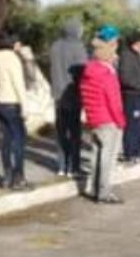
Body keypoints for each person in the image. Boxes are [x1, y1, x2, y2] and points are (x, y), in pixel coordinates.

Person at [80, 25, 126, 204]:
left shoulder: (88, 71)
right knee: (108, 158)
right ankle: (104, 192)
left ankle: (93, 188)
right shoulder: (107, 74)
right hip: (109, 121)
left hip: (94, 119)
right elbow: (114, 102)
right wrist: (121, 121)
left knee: (96, 156)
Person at [0, 33, 32, 191]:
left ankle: (7, 177)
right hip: (13, 101)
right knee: (19, 140)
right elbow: (18, 83)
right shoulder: (12, 58)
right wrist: (25, 107)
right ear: (12, 43)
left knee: (6, 140)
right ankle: (19, 178)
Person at [49, 19, 87, 177]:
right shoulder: (78, 47)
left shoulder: (55, 46)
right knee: (75, 133)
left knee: (61, 131)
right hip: (73, 94)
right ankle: (74, 167)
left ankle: (61, 165)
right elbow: (84, 73)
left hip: (57, 94)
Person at [119, 31, 140, 163]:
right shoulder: (126, 56)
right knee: (132, 125)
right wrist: (139, 85)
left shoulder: (138, 55)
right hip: (132, 96)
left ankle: (139, 151)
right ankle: (130, 153)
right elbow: (125, 78)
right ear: (135, 43)